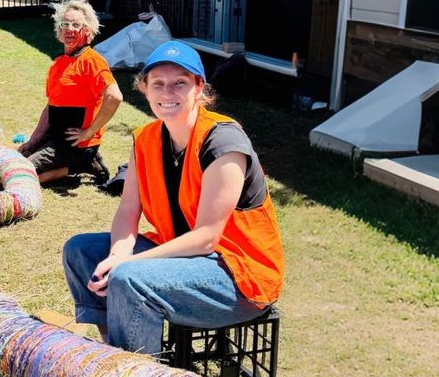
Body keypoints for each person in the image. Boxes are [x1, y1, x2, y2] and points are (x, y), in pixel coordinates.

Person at [61, 41, 284, 355]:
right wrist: (117, 253)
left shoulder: (223, 141)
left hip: (236, 276)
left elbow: (207, 238)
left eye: (180, 83)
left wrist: (128, 262)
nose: (168, 93)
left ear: (198, 88)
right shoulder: (146, 139)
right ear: (146, 89)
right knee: (80, 250)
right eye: (158, 84)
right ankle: (115, 351)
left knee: (129, 276)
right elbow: (128, 210)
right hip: (181, 253)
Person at [17, 0, 123, 185]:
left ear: (87, 30)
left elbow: (114, 97)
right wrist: (33, 141)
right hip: (54, 139)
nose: (69, 29)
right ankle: (85, 164)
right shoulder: (58, 64)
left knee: (22, 174)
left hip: (76, 144)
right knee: (17, 159)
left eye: (76, 24)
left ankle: (82, 163)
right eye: (65, 24)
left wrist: (89, 132)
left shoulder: (92, 60)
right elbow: (50, 108)